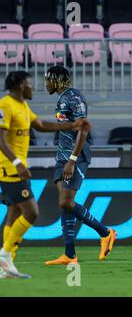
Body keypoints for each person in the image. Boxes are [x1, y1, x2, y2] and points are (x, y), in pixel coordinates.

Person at [0, 71, 89, 278]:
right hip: (9, 169)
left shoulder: (23, 106)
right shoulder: (5, 105)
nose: (34, 87)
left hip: (17, 168)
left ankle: (7, 264)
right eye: (30, 84)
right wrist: (15, 162)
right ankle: (5, 255)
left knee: (14, 213)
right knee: (31, 212)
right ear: (22, 85)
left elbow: (41, 126)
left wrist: (73, 125)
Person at [44, 66, 116, 266]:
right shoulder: (62, 99)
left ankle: (105, 232)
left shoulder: (74, 97)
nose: (45, 84)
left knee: (66, 202)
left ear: (57, 80)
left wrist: (72, 160)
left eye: (48, 79)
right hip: (62, 156)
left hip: (75, 157)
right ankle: (70, 255)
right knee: (63, 203)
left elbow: (83, 129)